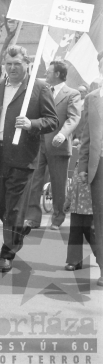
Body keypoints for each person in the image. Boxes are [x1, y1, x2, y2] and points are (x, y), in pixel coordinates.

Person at [0, 45, 58, 273]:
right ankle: (17, 229)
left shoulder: (38, 88)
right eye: (8, 64)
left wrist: (32, 124)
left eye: (17, 63)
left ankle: (7, 253)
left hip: (21, 155)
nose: (12, 68)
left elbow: (52, 121)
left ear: (27, 63)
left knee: (14, 207)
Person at [26, 61, 82, 230]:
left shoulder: (72, 94)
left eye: (49, 72)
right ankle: (33, 218)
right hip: (38, 143)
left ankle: (57, 218)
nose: (46, 75)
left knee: (58, 184)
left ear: (57, 74)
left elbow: (74, 118)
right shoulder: (43, 90)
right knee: (35, 182)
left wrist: (62, 134)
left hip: (58, 144)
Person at [77, 53, 103, 286]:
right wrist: (83, 166)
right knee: (100, 220)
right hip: (100, 167)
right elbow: (85, 136)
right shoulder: (93, 98)